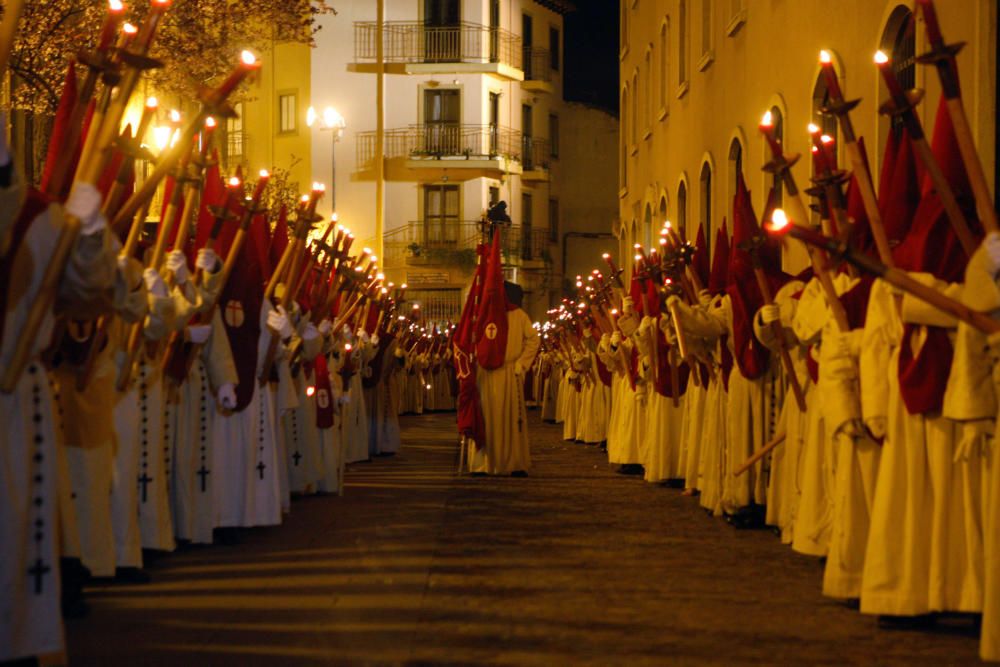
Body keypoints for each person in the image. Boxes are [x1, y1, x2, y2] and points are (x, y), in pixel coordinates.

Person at [469, 280, 540, 476]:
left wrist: (522, 363)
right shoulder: (482, 316)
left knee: (510, 418)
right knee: (485, 418)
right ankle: (483, 463)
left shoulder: (518, 315)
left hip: (509, 372)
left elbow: (534, 339)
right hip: (485, 373)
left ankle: (514, 463)